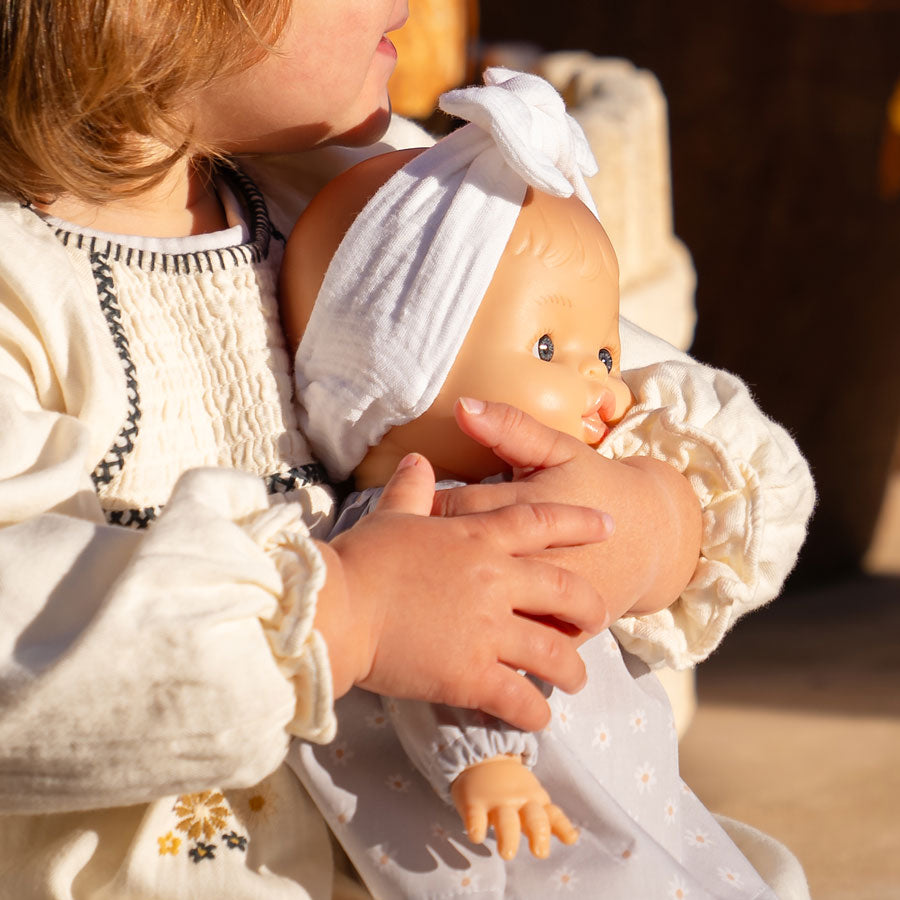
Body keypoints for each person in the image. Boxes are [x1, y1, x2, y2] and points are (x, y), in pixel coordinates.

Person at [0, 2, 813, 897]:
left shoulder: (371, 195)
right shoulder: (22, 296)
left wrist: (649, 524)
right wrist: (346, 614)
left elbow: (728, 452)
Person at [281, 69, 815, 898]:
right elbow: (442, 659)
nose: (608, 387)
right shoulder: (423, 526)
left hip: (633, 814)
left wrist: (650, 519)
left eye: (604, 353)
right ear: (395, 383)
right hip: (534, 845)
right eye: (547, 351)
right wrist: (484, 758)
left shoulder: (532, 499)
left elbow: (757, 477)